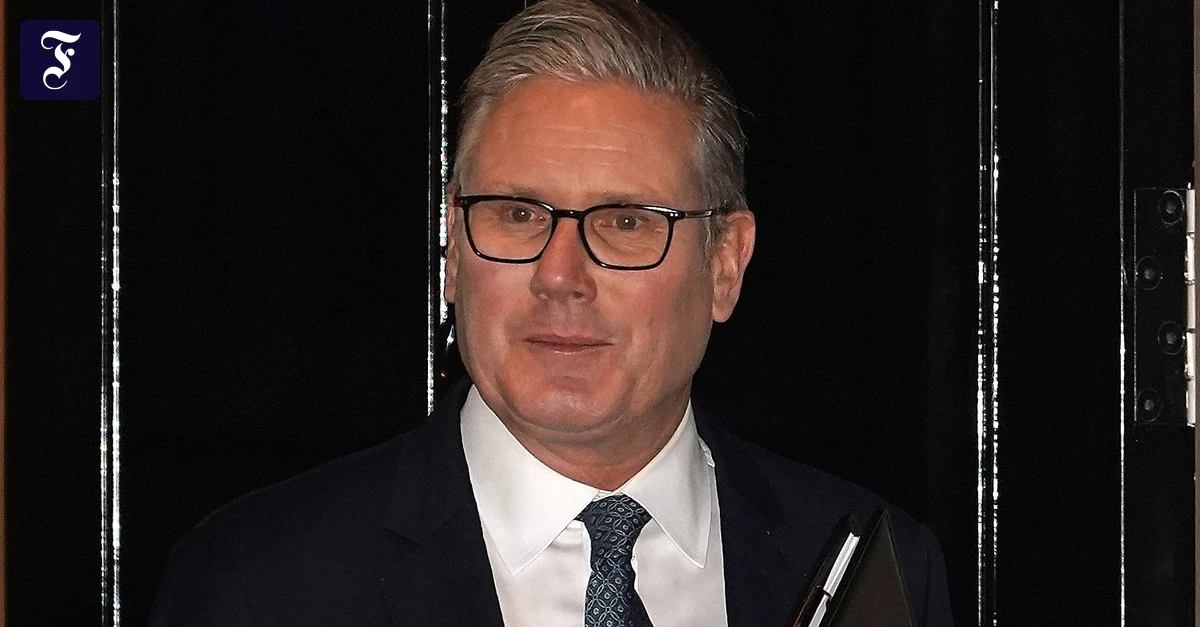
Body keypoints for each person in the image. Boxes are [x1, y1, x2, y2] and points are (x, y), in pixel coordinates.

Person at [149, 1, 955, 625]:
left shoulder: (882, 569)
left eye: (626, 222)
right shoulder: (261, 585)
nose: (560, 275)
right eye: (518, 215)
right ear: (453, 247)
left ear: (725, 264)